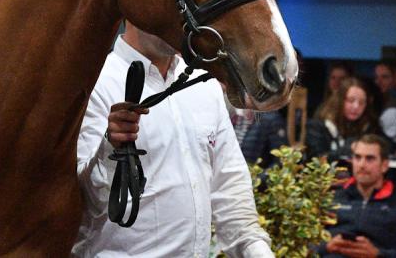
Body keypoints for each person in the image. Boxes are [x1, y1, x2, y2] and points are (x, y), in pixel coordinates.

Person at [74, 22, 274, 257]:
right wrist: (110, 147)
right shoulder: (93, 83)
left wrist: (256, 250)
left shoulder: (204, 85)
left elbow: (229, 186)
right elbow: (83, 202)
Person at [317, 134, 396, 258]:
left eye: (369, 159)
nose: (362, 165)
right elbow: (304, 244)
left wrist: (378, 254)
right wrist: (326, 247)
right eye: (357, 157)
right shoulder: (331, 199)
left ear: (384, 165)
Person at [306, 77, 381, 164]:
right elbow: (316, 159)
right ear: (339, 101)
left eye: (361, 102)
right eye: (351, 100)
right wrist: (349, 148)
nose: (356, 106)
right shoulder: (317, 126)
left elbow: (387, 146)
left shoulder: (369, 127)